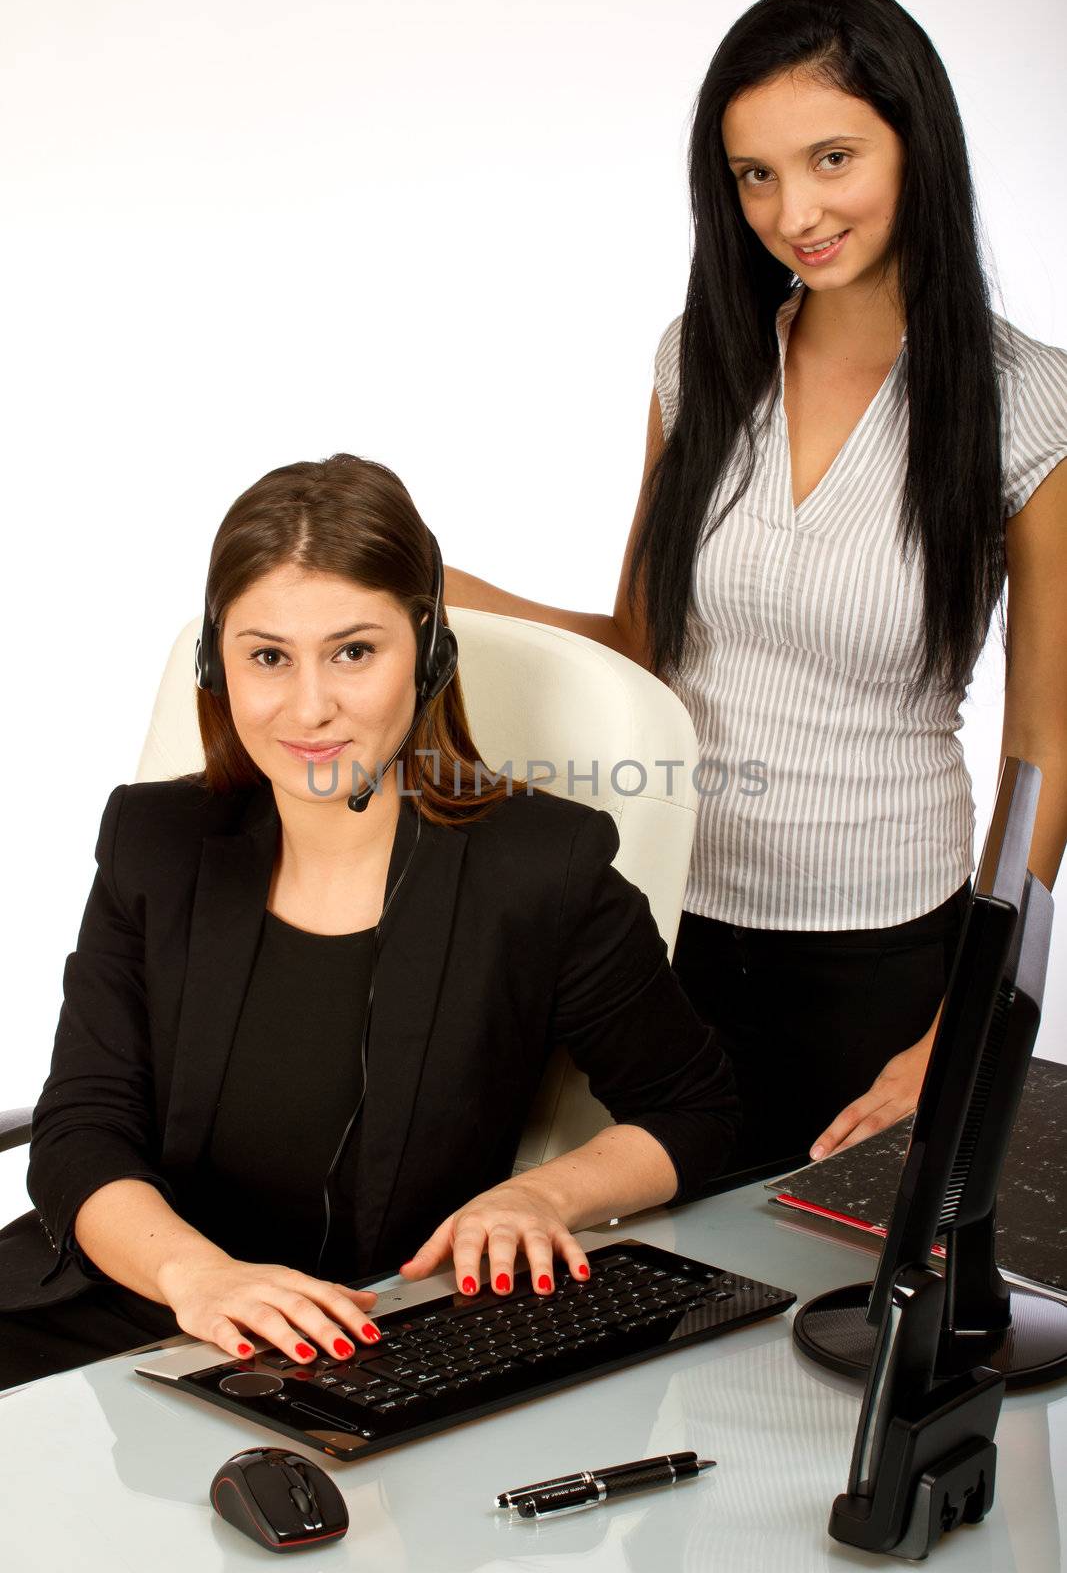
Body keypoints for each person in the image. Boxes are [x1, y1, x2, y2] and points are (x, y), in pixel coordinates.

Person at [445, 0, 1067, 1178]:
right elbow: (641, 646)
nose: (795, 211)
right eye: (754, 176)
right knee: (647, 1307)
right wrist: (436, 584)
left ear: (913, 141)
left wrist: (968, 1025)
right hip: (663, 923)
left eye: (831, 157)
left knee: (825, 1325)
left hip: (881, 963)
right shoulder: (699, 364)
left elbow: (1048, 746)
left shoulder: (1028, 407)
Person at [0, 453, 739, 1392]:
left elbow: (692, 1110)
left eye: (353, 651)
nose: (309, 707)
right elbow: (80, 1126)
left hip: (370, 1341)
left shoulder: (541, 868)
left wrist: (539, 1195)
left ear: (426, 651)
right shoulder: (155, 839)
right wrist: (199, 1277)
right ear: (215, 664)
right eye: (267, 656)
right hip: (127, 1306)